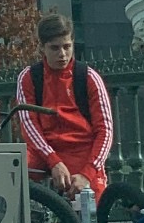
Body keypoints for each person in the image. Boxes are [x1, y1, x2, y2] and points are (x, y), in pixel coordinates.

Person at [14, 13, 114, 199]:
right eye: (55, 48)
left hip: (83, 152)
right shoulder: (28, 77)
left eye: (67, 47)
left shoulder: (89, 77)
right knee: (12, 173)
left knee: (92, 212)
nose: (62, 54)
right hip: (43, 152)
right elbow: (29, 126)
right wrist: (53, 161)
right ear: (41, 48)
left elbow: (105, 131)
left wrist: (87, 173)